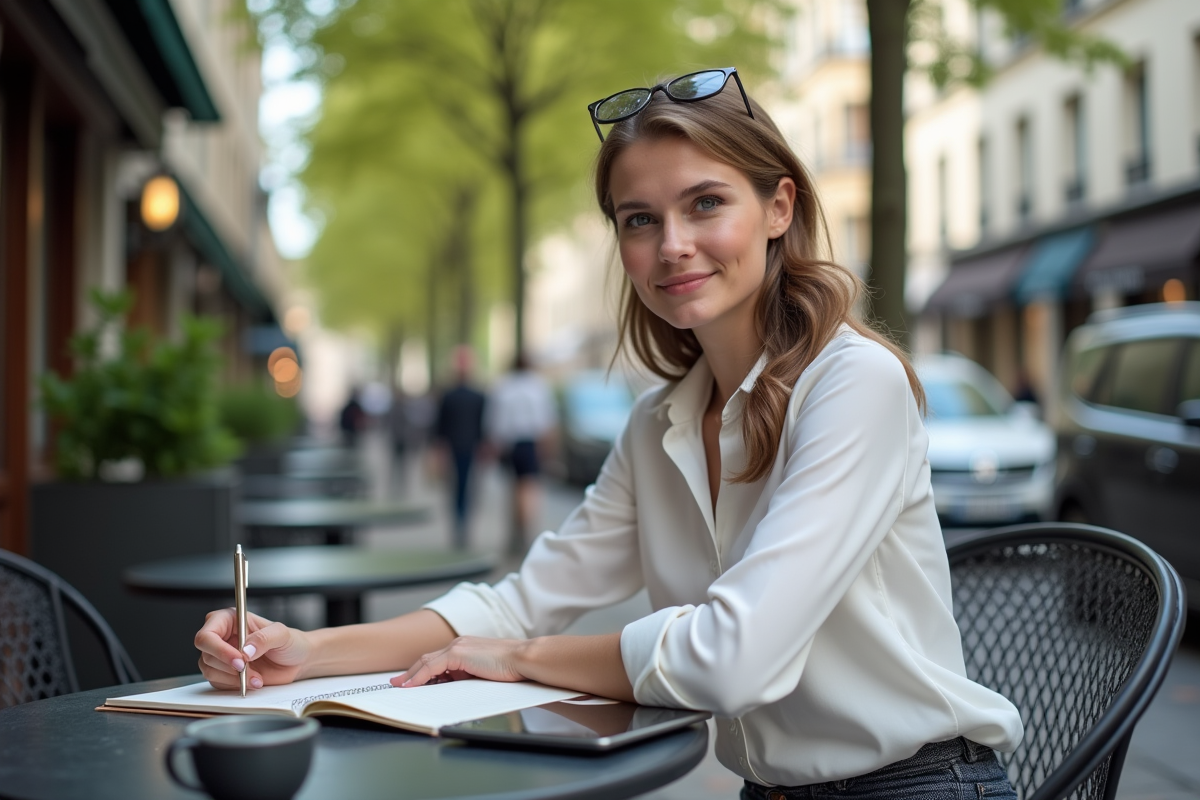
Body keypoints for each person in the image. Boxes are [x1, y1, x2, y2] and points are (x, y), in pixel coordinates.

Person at [194, 68, 1022, 799]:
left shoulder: (854, 385)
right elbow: (520, 600)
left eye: (705, 203)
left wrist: (521, 659)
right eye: (638, 219)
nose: (673, 246)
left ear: (778, 207)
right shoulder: (657, 423)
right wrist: (306, 651)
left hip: (919, 786)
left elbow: (728, 660)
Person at [485, 352, 557, 555]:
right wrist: (549, 447)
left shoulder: (503, 386)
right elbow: (547, 420)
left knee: (513, 488)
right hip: (530, 442)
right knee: (528, 488)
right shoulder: (538, 386)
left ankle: (515, 532)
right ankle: (526, 530)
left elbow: (495, 420)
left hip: (509, 444)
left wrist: (494, 444)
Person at [434, 346, 487, 549]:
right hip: (471, 446)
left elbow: (440, 427)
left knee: (457, 488)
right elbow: (483, 425)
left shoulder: (449, 395)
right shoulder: (478, 395)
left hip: (455, 446)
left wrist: (439, 449)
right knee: (467, 486)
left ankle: (459, 522)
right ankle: (463, 523)